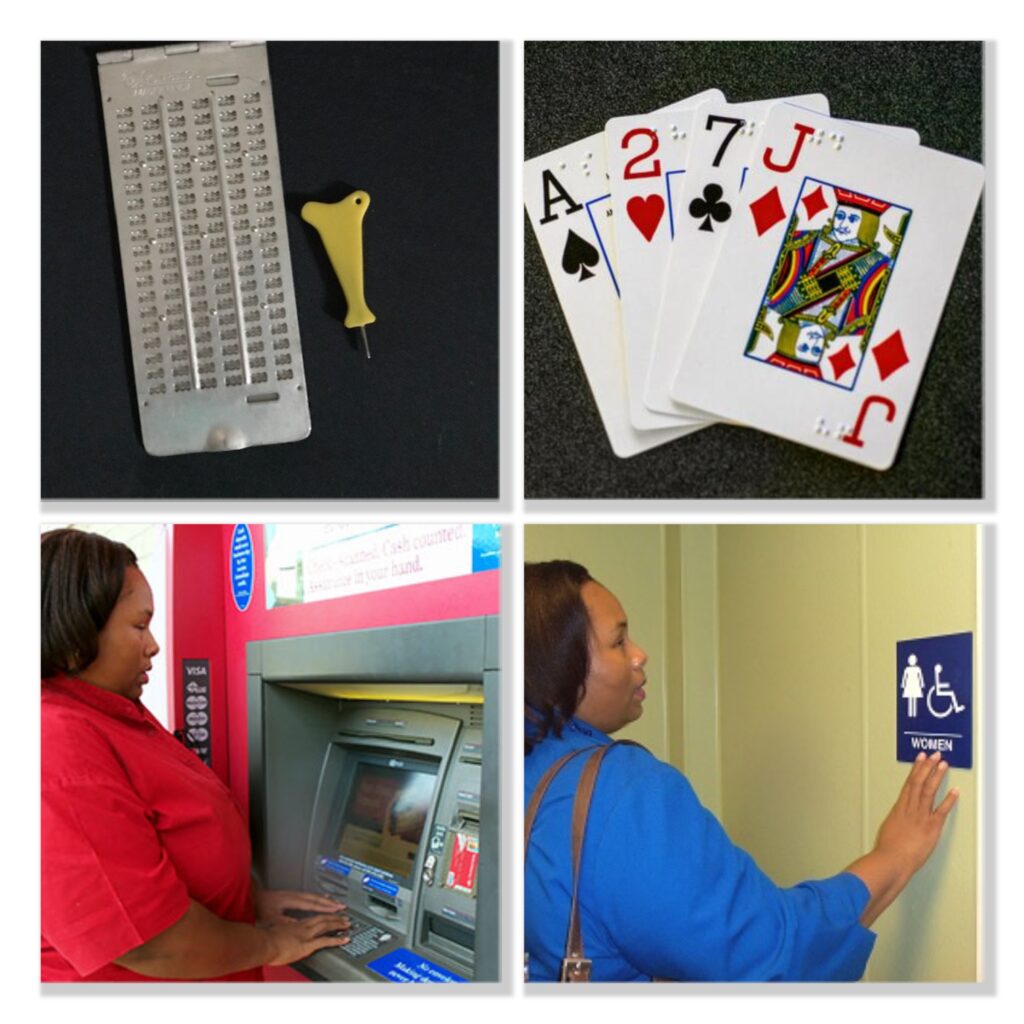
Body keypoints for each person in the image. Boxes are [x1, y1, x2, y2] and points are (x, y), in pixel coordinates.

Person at [524, 560, 959, 982]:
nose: (640, 655)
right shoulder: (623, 792)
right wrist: (894, 857)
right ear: (560, 665)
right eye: (618, 642)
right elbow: (769, 955)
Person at [41, 529, 351, 981]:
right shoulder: (57, 743)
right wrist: (272, 943)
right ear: (76, 630)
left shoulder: (112, 713)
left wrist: (247, 903)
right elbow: (150, 943)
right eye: (138, 626)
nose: (153, 646)